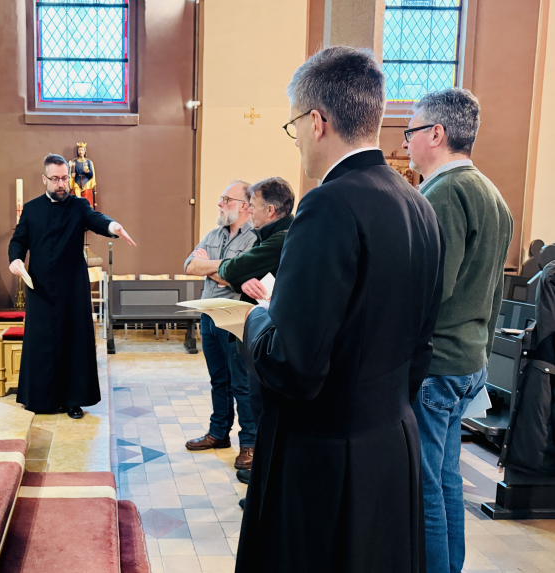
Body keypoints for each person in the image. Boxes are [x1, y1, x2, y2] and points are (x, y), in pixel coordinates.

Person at [236, 47, 444, 573]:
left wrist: (258, 316)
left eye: (294, 126)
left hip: (324, 458)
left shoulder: (328, 203)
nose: (299, 140)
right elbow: (421, 345)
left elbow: (293, 365)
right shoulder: (418, 204)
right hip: (392, 442)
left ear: (317, 121)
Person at [403, 88, 513, 573]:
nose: (405, 142)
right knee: (446, 481)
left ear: (436, 134)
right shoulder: (493, 193)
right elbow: (495, 296)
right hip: (468, 359)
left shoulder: (444, 192)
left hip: (437, 362)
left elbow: (430, 291)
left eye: (410, 131)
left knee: (425, 486)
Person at [8, 153, 136, 419]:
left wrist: (114, 226)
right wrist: (16, 259)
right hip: (40, 288)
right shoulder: (32, 209)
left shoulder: (78, 206)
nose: (61, 184)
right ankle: (41, 400)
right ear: (44, 179)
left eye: (64, 178)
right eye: (55, 179)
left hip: (73, 287)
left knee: (74, 341)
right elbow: (18, 240)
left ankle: (73, 400)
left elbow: (96, 219)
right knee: (42, 342)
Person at [215, 177, 295, 483]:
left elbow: (231, 268)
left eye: (254, 205)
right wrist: (239, 278)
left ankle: (263, 480)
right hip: (262, 335)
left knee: (260, 407)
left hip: (271, 339)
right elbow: (241, 274)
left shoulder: (280, 238)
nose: (250, 210)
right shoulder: (268, 234)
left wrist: (232, 272)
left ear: (271, 210)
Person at [183, 181, 257, 470]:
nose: (220, 203)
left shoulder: (254, 238)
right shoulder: (214, 234)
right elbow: (189, 265)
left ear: (244, 206)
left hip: (235, 317)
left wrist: (210, 265)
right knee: (218, 380)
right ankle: (218, 433)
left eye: (226, 199)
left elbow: (243, 279)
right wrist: (225, 265)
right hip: (208, 315)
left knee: (242, 383)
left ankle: (249, 443)